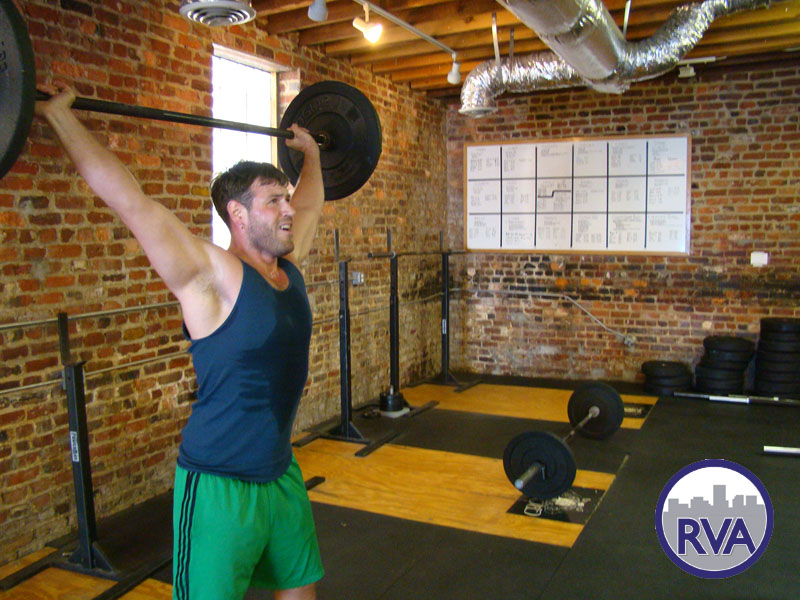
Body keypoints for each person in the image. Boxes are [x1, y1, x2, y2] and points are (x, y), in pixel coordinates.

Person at [36, 81, 326, 600]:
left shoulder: (288, 265)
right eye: (273, 201)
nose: (288, 209)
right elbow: (131, 202)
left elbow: (311, 203)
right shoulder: (211, 275)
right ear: (238, 214)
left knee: (302, 590)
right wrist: (60, 116)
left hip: (281, 472)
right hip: (217, 485)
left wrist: (314, 155)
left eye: (285, 197)